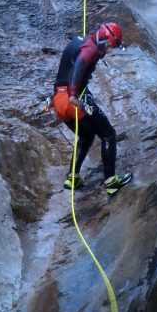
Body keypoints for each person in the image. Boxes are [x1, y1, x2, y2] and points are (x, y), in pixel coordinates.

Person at [53, 22, 132, 196]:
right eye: (111, 45)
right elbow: (80, 64)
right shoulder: (90, 48)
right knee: (108, 133)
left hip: (58, 100)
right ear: (105, 38)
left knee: (86, 136)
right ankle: (111, 181)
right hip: (73, 98)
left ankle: (72, 177)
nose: (110, 50)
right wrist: (73, 94)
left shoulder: (83, 42)